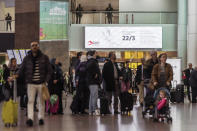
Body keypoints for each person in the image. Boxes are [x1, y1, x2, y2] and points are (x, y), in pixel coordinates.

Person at [15, 41, 52, 127]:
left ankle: (41, 118)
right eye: (33, 45)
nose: (34, 47)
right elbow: (21, 69)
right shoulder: (27, 58)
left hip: (41, 83)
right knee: (30, 101)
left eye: (36, 45)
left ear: (38, 47)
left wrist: (46, 80)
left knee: (41, 102)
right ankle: (30, 119)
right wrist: (15, 76)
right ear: (31, 47)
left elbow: (50, 71)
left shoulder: (44, 57)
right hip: (31, 84)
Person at [86, 50, 101, 115]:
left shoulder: (90, 61)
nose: (96, 54)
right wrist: (94, 74)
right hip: (93, 82)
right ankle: (94, 110)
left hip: (91, 81)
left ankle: (91, 110)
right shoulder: (92, 61)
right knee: (94, 96)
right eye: (96, 53)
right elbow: (88, 69)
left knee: (92, 96)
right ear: (93, 54)